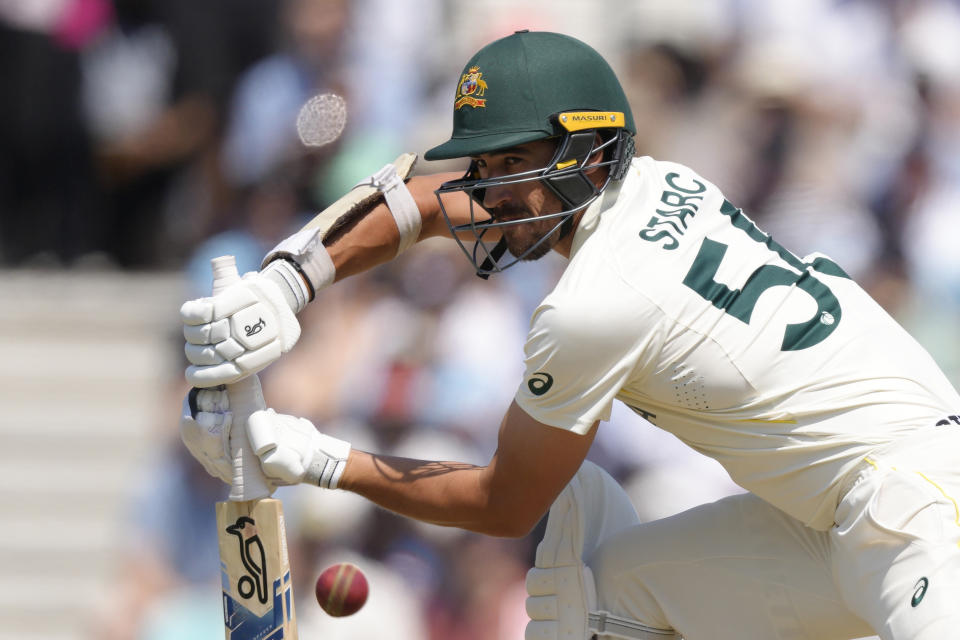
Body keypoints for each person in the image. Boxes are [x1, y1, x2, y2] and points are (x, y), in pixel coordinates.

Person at [178, 31, 960, 640]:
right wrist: (289, 278)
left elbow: (504, 504)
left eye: (509, 163)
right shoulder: (661, 180)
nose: (487, 192)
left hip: (921, 509)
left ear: (587, 152)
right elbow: (417, 193)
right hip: (839, 512)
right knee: (613, 593)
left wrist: (321, 460)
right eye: (483, 166)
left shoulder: (596, 303)